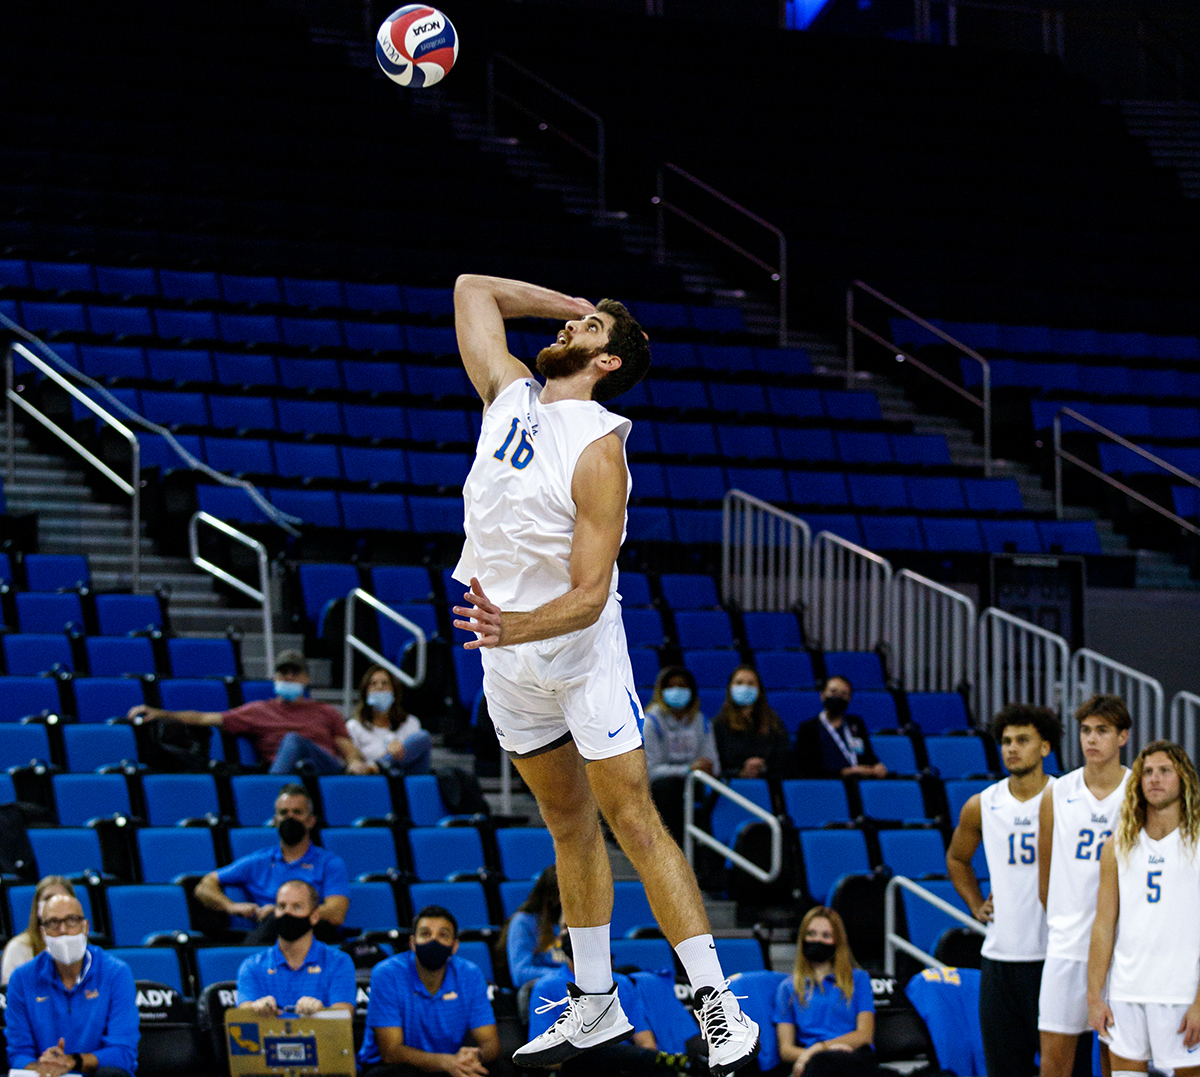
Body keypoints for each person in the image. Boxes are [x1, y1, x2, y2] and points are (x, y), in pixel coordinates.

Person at [449, 273, 759, 1076]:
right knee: (566, 824)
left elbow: (588, 599)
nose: (568, 330)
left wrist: (517, 625)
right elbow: (472, 289)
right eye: (573, 323)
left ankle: (716, 1000)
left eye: (587, 330)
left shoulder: (599, 449)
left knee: (630, 814)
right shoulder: (509, 391)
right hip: (505, 652)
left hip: (576, 650)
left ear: (608, 362)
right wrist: (574, 307)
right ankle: (594, 1000)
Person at [946, 704, 1060, 1077]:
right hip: (1000, 957)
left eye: (1022, 740)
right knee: (1004, 1068)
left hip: (1056, 955)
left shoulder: (1066, 799)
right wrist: (976, 904)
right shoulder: (982, 804)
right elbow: (957, 859)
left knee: (1063, 1068)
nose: (1012, 748)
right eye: (1006, 741)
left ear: (1045, 747)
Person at [1087, 741, 1200, 1076]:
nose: (1155, 778)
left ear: (1183, 779)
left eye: (1165, 770)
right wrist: (1095, 997)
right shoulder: (1117, 846)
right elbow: (1103, 925)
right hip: (1126, 992)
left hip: (1181, 993)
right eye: (1148, 772)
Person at [1038, 694, 1131, 1077]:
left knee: (1117, 1061)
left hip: (1122, 948)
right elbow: (1045, 874)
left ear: (1123, 737)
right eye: (1086, 731)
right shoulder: (1056, 792)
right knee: (1055, 1061)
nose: (1092, 739)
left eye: (1103, 731)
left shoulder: (1141, 792)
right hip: (1067, 945)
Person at [126, 649, 375, 776]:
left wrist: (354, 763)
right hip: (292, 773)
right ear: (275, 678)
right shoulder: (259, 710)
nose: (288, 677)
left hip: (324, 772)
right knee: (292, 746)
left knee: (294, 741)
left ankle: (270, 791)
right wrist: (160, 713)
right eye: (283, 672)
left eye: (294, 672)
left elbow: (348, 748)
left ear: (306, 678)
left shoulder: (326, 711)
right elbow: (205, 718)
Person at [194, 783, 350, 945]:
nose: (290, 817)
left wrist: (281, 912)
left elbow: (336, 913)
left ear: (311, 821)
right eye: (284, 813)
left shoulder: (329, 863)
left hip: (314, 936)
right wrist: (231, 906)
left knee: (277, 921)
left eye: (297, 812)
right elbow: (205, 886)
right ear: (275, 820)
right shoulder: (259, 861)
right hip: (269, 936)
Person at [4, 892, 139, 1077]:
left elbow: (123, 1053)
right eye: (53, 923)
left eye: (72, 920)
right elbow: (18, 1053)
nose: (63, 930)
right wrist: (44, 1067)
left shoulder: (115, 973)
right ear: (43, 933)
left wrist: (72, 1062)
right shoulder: (22, 979)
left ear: (85, 927)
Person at [358, 905, 499, 1077]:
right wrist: (446, 1062)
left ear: (454, 946)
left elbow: (490, 1041)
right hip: (394, 1066)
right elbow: (391, 1052)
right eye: (425, 934)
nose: (434, 941)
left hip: (451, 1064)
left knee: (500, 1069)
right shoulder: (387, 973)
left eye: (443, 935)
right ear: (412, 943)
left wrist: (477, 1056)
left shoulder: (470, 974)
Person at [528, 927, 676, 1075]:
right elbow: (545, 1058)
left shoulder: (621, 982)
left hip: (622, 1063)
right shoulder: (547, 987)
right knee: (596, 1053)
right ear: (573, 959)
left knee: (656, 1065)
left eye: (607, 956)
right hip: (578, 1064)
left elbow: (645, 1042)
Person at [774, 907, 876, 1077]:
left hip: (853, 1056)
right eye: (811, 934)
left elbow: (864, 1035)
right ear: (802, 938)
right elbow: (785, 1050)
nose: (817, 940)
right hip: (813, 1062)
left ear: (837, 940)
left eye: (826, 936)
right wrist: (813, 1055)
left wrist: (821, 1048)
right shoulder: (788, 987)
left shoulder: (859, 979)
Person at [236, 880, 356, 1017]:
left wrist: (321, 1012)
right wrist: (255, 1009)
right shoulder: (253, 966)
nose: (287, 913)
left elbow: (344, 1017)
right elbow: (243, 1015)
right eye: (281, 906)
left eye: (297, 907)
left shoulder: (339, 962)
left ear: (314, 916)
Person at [644, 665, 719, 843]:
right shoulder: (651, 722)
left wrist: (705, 768)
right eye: (671, 686)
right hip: (662, 788)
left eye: (683, 686)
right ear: (661, 691)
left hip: (695, 783)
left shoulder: (702, 721)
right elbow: (651, 770)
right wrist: (688, 769)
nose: (677, 690)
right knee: (669, 788)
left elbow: (713, 763)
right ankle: (674, 846)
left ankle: (709, 856)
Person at [793, 677, 886, 780]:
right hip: (827, 784)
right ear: (822, 695)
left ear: (849, 699)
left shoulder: (855, 724)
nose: (838, 697)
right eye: (833, 692)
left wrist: (876, 766)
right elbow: (807, 767)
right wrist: (844, 772)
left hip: (859, 781)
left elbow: (867, 754)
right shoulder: (809, 728)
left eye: (843, 694)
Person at [348, 663, 433, 776]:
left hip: (407, 775)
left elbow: (415, 753)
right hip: (375, 780)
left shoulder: (410, 722)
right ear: (365, 693)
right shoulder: (354, 726)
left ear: (394, 692)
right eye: (373, 684)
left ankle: (380, 765)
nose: (379, 687)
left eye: (385, 683)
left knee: (423, 736)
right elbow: (354, 760)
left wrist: (398, 749)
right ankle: (380, 767)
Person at [713, 666, 790, 781]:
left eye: (750, 683)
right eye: (739, 683)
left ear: (759, 690)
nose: (745, 687)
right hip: (730, 785)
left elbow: (784, 760)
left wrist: (763, 767)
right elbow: (716, 765)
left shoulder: (774, 723)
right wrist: (740, 772)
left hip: (768, 783)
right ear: (730, 688)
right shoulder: (718, 724)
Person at [1, 875, 76, 987]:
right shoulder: (19, 947)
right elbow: (11, 996)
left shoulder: (81, 944)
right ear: (37, 907)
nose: (54, 904)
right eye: (48, 899)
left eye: (61, 899)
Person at [499, 864, 566, 989]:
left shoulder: (581, 920)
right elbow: (520, 974)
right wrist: (564, 975)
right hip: (543, 989)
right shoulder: (524, 922)